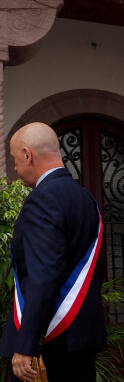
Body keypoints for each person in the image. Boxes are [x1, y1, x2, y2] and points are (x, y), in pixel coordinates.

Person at [0, 123, 106, 382]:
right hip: (81, 341)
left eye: (14, 159)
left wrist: (26, 344)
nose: (15, 168)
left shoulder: (42, 199)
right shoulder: (85, 198)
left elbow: (43, 275)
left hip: (49, 347)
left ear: (27, 154)